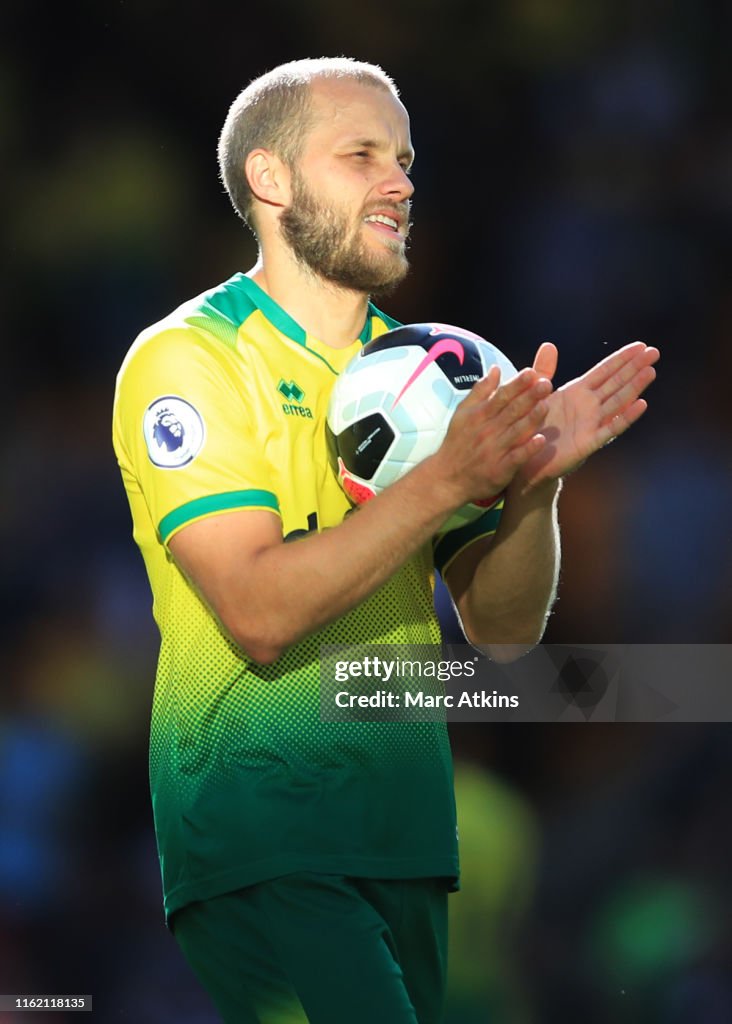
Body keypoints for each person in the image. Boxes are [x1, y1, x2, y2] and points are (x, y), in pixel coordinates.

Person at [112, 57, 658, 1024]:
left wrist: (532, 490)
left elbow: (503, 632)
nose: (400, 182)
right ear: (271, 181)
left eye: (404, 158)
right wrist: (446, 481)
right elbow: (258, 612)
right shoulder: (190, 357)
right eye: (361, 153)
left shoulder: (437, 367)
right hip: (263, 827)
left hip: (404, 833)